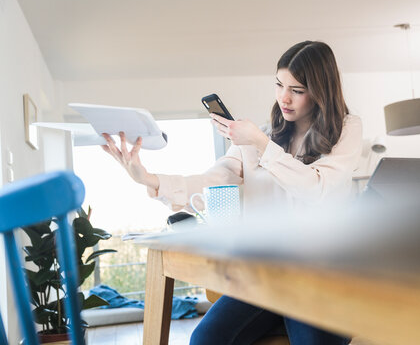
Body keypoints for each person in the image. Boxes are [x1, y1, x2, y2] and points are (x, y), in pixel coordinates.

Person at [101, 40, 362, 345]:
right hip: (264, 273)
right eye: (279, 85)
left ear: (320, 92)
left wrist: (263, 146)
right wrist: (149, 178)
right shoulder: (259, 135)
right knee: (204, 340)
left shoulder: (346, 129)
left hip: (323, 275)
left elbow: (318, 189)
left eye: (297, 90)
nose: (284, 98)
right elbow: (215, 178)